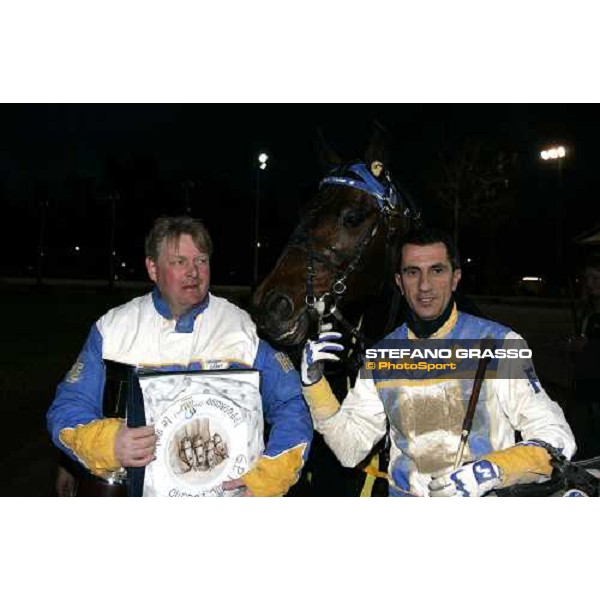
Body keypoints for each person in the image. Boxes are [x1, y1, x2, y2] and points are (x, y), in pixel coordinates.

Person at [47, 216, 312, 496]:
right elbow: (68, 407)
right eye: (179, 262)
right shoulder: (113, 328)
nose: (193, 272)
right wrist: (109, 444)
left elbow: (291, 404)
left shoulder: (243, 327)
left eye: (201, 261)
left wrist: (271, 476)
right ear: (153, 268)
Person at [301, 227, 576, 497]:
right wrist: (315, 386)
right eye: (412, 272)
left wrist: (489, 472)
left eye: (437, 270)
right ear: (399, 281)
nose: (424, 286)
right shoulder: (382, 356)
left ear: (455, 278)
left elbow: (556, 437)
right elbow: (350, 450)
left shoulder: (500, 343)